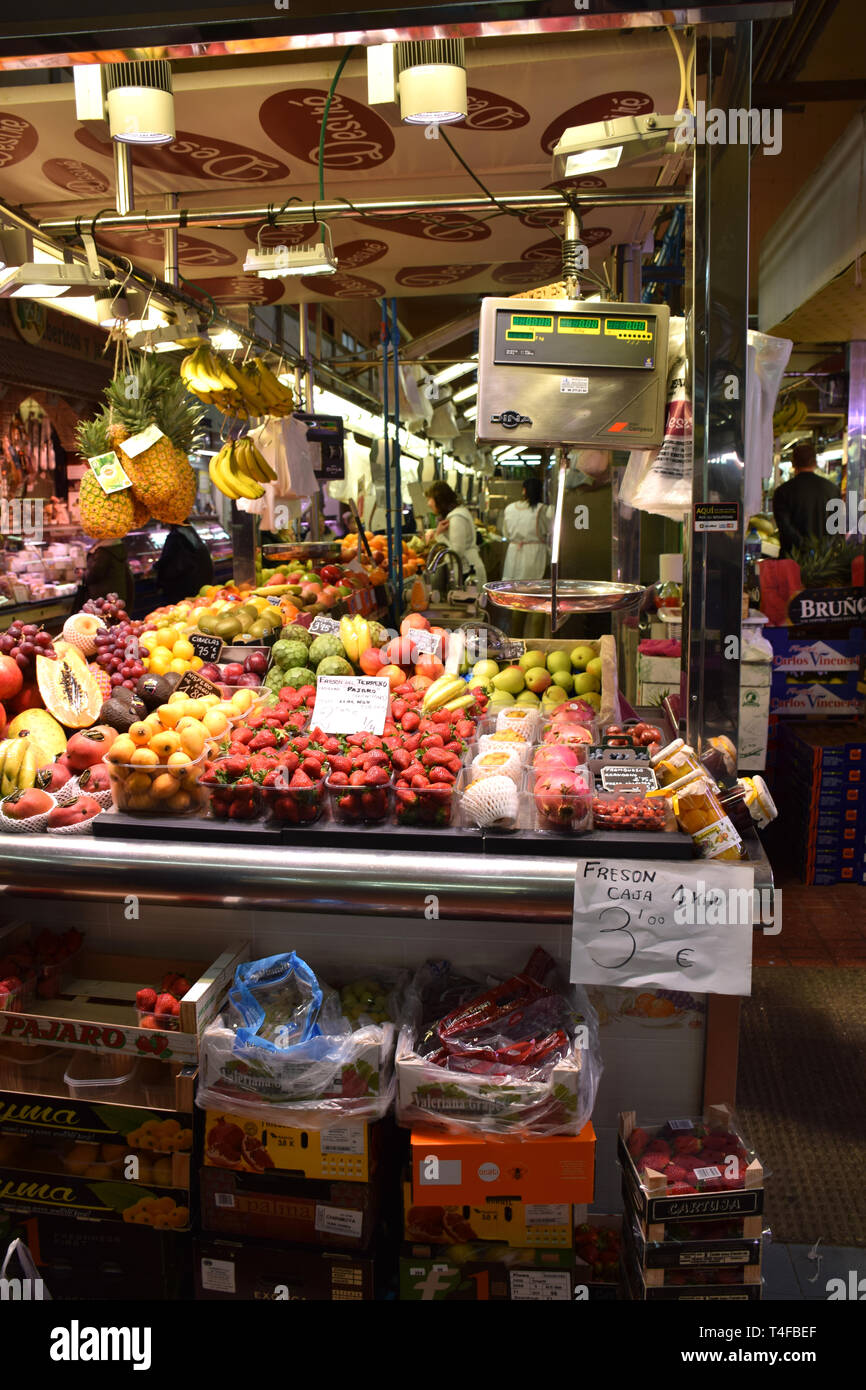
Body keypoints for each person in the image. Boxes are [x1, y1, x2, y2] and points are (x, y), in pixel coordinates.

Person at [772, 441, 841, 558]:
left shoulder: (782, 492)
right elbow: (836, 528)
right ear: (814, 463)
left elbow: (785, 527)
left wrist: (805, 547)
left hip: (792, 561)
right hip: (824, 561)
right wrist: (819, 549)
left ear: (793, 463)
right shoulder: (833, 490)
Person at [425, 480, 487, 586]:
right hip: (467, 569)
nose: (428, 503)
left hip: (468, 572)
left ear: (439, 500)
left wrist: (439, 536)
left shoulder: (457, 518)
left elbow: (457, 551)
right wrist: (436, 531)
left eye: (430, 499)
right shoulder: (457, 513)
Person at [502, 476, 551, 582]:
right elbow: (550, 532)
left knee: (511, 586)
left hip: (513, 551)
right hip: (534, 553)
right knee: (531, 587)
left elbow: (506, 534)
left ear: (523, 490)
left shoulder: (509, 508)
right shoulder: (542, 509)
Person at [155, 521, 214, 606]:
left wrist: (155, 568)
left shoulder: (175, 536)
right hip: (198, 582)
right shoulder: (190, 531)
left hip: (182, 584)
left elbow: (166, 558)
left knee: (182, 606)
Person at [79, 539, 135, 611]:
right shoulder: (117, 546)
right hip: (117, 592)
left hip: (102, 595)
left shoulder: (102, 552)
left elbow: (93, 575)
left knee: (105, 618)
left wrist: (83, 574)